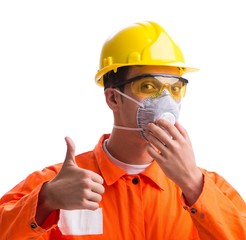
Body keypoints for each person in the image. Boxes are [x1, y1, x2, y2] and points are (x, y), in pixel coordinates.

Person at [0, 21, 245, 240]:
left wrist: (193, 185)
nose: (166, 100)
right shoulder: (59, 184)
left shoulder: (208, 188)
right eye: (149, 86)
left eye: (175, 88)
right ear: (113, 98)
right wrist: (45, 202)